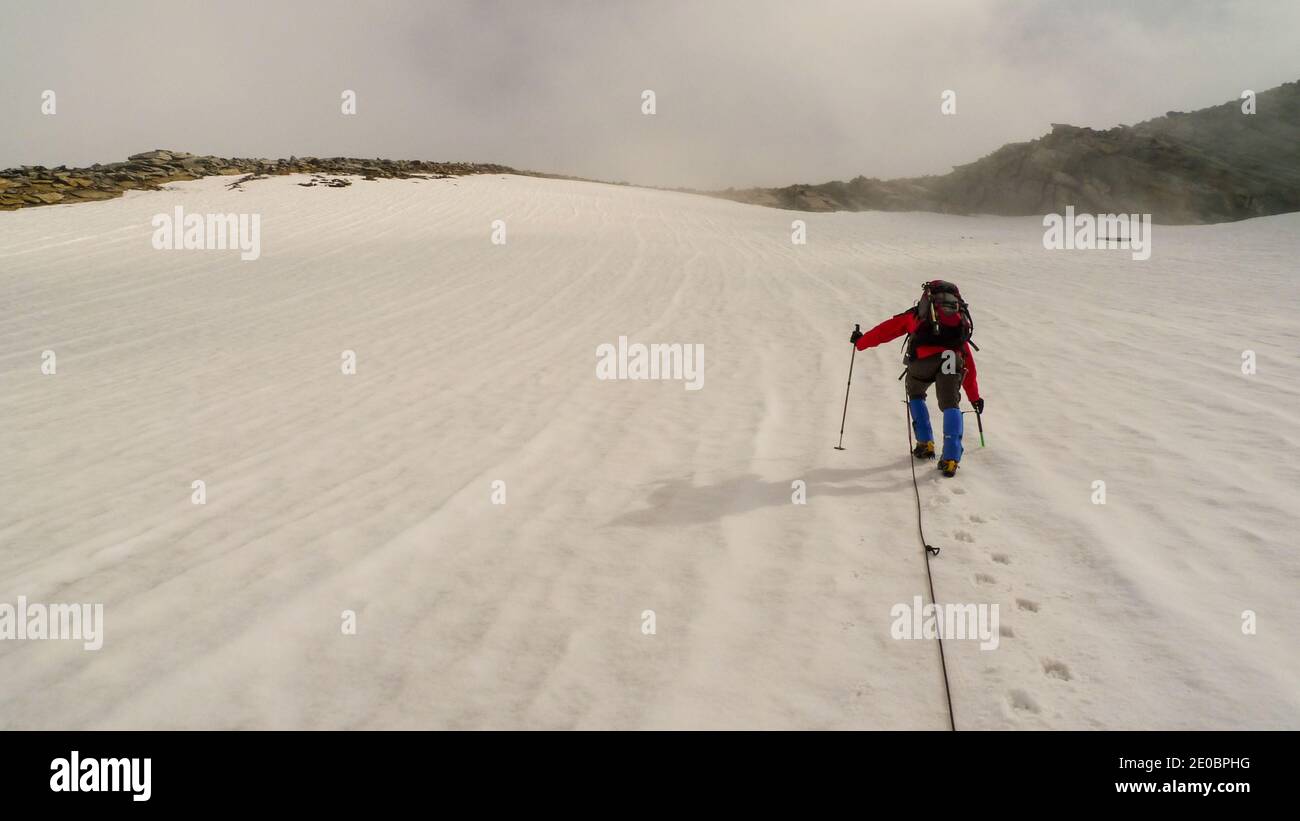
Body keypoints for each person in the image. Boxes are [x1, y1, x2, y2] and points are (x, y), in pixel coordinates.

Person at [850, 281, 983, 477]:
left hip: (923, 360)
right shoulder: (958, 320)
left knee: (916, 392)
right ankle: (951, 457)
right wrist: (974, 397)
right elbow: (968, 362)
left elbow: (887, 330)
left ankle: (925, 443)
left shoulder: (918, 314)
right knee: (950, 403)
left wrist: (860, 342)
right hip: (952, 359)